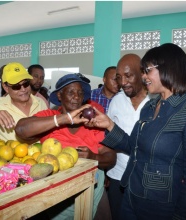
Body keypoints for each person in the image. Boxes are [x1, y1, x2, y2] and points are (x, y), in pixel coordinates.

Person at [74, 43, 186, 219]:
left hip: (162, 205)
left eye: (147, 70)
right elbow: (133, 146)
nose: (144, 76)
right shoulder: (150, 106)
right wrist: (109, 124)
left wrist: (183, 216)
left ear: (168, 68)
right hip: (131, 196)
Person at [15, 73, 116, 220]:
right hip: (57, 194)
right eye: (71, 92)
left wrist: (94, 157)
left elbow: (111, 156)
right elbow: (21, 129)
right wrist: (65, 119)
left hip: (91, 189)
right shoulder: (50, 117)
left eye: (80, 93)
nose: (77, 96)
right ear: (60, 96)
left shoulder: (90, 123)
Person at [106, 54, 151, 220]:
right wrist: (105, 172)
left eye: (128, 76)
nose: (123, 82)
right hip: (117, 176)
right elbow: (109, 137)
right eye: (119, 77)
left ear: (142, 73)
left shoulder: (157, 101)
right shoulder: (116, 101)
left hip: (146, 180)